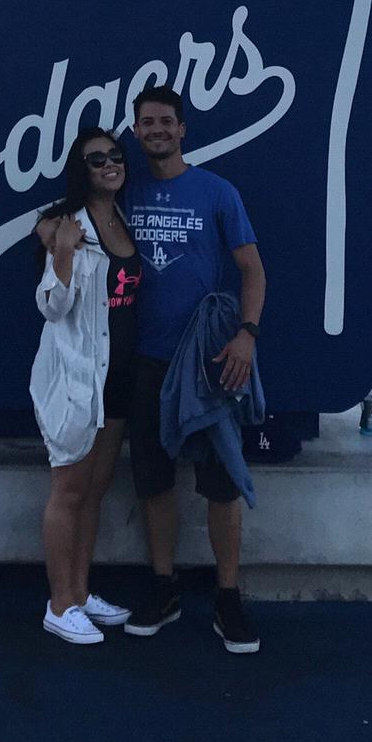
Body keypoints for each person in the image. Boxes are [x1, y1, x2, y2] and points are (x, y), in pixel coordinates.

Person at [121, 85, 266, 655]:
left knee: (221, 483)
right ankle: (165, 587)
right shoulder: (124, 193)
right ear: (136, 132)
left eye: (165, 121)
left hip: (208, 359)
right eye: (146, 122)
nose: (155, 130)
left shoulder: (217, 192)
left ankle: (227, 596)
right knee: (153, 479)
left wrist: (246, 336)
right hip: (147, 359)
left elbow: (253, 270)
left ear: (183, 129)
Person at [30, 129, 141, 645]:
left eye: (114, 156)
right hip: (77, 376)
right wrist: (63, 255)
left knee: (95, 490)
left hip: (117, 375)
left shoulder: (122, 217)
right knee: (68, 490)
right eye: (96, 160)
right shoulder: (66, 227)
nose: (108, 165)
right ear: (82, 172)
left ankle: (79, 591)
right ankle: (58, 604)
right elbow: (52, 308)